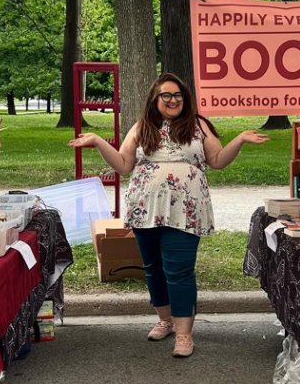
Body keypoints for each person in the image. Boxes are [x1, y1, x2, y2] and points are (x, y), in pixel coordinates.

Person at [68, 73, 268, 358]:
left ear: (185, 99)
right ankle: (165, 320)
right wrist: (100, 142)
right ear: (155, 99)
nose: (173, 100)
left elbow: (218, 161)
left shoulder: (198, 126)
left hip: (185, 211)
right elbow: (124, 165)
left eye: (178, 95)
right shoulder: (142, 127)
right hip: (145, 209)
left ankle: (184, 334)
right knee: (153, 268)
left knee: (179, 269)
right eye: (166, 95)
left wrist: (241, 139)